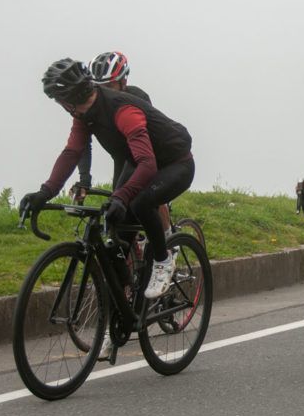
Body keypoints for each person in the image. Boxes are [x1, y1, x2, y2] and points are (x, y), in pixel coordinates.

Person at [20, 58, 194, 300]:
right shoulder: (83, 114)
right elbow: (72, 152)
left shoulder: (122, 110)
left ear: (69, 98)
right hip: (136, 162)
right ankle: (123, 310)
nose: (58, 104)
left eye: (58, 100)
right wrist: (45, 192)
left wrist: (122, 196)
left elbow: (148, 163)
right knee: (115, 239)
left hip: (175, 163)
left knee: (140, 203)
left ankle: (163, 261)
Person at [74, 51, 152, 194]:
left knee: (148, 198)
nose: (103, 91)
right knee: (117, 205)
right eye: (98, 86)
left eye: (109, 86)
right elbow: (82, 145)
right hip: (121, 159)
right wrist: (84, 180)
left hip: (144, 157)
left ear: (123, 82)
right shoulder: (90, 106)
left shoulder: (137, 97)